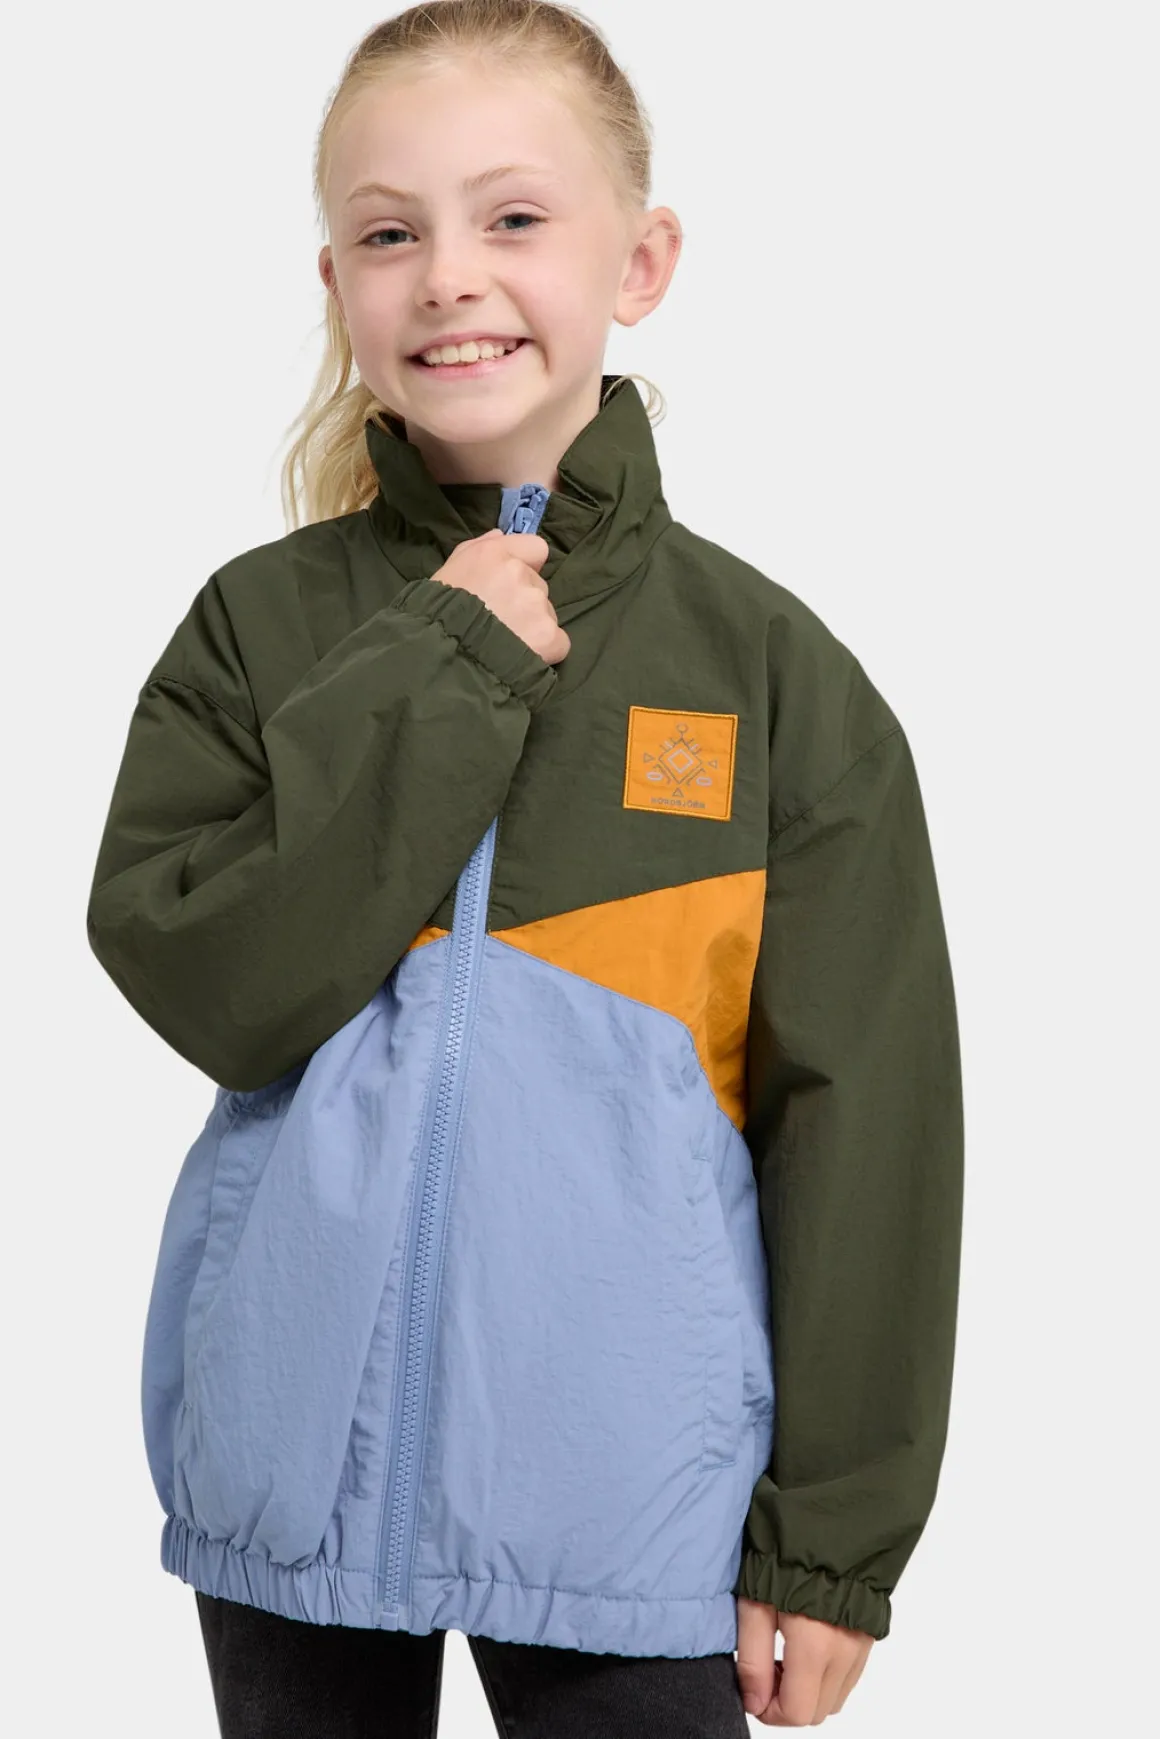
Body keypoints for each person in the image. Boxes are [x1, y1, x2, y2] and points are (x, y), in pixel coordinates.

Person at [85, 2, 964, 1732]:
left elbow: (868, 1124)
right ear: (334, 283)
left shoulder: (776, 679)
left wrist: (831, 1542)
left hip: (633, 1492)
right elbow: (216, 985)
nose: (447, 278)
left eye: (512, 218)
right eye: (387, 234)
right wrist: (447, 661)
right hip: (287, 1484)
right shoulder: (257, 631)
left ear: (640, 262)